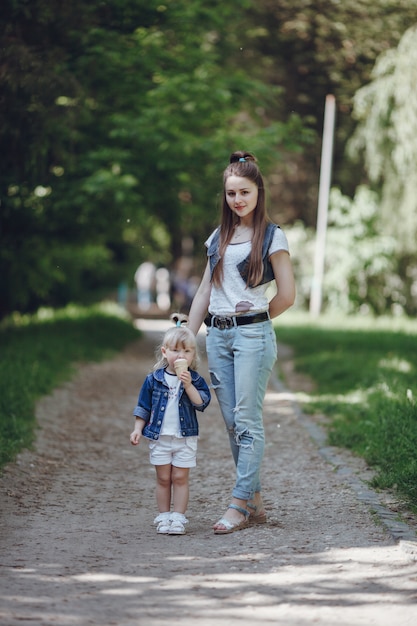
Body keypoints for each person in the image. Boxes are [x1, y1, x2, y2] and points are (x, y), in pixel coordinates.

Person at [187, 150, 295, 534]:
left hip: (252, 335)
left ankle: (237, 505)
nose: (237, 200)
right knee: (233, 424)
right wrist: (187, 333)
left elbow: (286, 294)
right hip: (217, 338)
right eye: (231, 193)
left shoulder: (272, 236)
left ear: (257, 192)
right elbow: (204, 291)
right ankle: (256, 502)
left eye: (244, 192)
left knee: (247, 420)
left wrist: (254, 319)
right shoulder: (218, 237)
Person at [130, 314, 211, 535]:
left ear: (193, 355)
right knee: (163, 478)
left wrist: (188, 386)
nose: (181, 355)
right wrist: (138, 429)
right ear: (165, 352)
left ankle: (178, 517)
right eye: (176, 350)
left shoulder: (194, 379)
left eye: (187, 351)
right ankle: (163, 516)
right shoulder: (153, 379)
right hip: (160, 437)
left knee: (180, 477)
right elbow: (143, 407)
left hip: (184, 437)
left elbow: (201, 403)